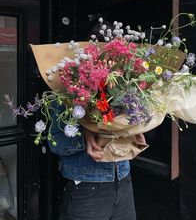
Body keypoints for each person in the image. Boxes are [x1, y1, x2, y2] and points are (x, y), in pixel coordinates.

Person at [48, 21, 146, 220]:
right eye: (108, 55)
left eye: (118, 57)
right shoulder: (68, 88)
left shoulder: (127, 84)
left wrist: (132, 135)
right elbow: (55, 142)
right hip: (87, 186)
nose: (113, 62)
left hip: (123, 180)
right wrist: (84, 138)